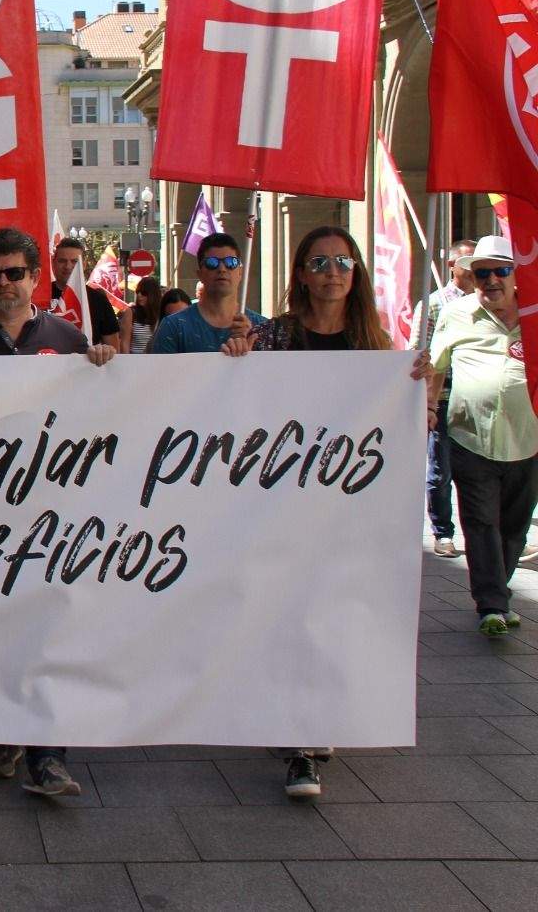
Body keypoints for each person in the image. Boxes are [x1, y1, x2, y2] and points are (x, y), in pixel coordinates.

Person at [0, 227, 113, 799]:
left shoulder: (68, 338)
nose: (4, 284)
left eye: (14, 273)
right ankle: (2, 731)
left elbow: (98, 413)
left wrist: (102, 366)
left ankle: (47, 754)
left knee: (46, 628)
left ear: (36, 278)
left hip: (50, 510)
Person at [219, 225, 400, 803]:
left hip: (346, 510)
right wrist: (236, 360)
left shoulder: (376, 343)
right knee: (288, 615)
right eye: (319, 262)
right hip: (280, 506)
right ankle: (297, 732)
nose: (331, 273)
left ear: (357, 272)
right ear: (300, 273)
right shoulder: (274, 337)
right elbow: (239, 410)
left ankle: (313, 726)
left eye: (342, 262)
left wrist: (418, 389)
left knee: (329, 614)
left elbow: (394, 419)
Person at [429, 235, 538, 643]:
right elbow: (435, 366)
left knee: (514, 528)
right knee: (480, 523)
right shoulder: (456, 315)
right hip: (470, 437)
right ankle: (491, 605)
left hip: (528, 439)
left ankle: (499, 592)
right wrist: (427, 407)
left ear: (515, 275)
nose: (491, 280)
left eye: (500, 271)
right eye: (481, 273)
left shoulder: (534, 314)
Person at [417, 240, 479, 556]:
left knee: (478, 470)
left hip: (475, 400)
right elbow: (418, 351)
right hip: (443, 397)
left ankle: (487, 531)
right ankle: (443, 532)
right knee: (440, 469)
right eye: (468, 262)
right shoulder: (435, 304)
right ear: (452, 266)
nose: (475, 269)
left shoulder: (487, 304)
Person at [147, 233, 262, 353]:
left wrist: (253, 347)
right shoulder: (173, 327)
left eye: (231, 262)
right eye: (212, 263)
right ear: (200, 274)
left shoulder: (263, 327)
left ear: (240, 272)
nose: (222, 269)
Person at [48, 238, 120, 349]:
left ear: (84, 264)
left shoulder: (99, 299)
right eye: (62, 261)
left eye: (74, 261)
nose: (68, 266)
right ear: (53, 263)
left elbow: (113, 348)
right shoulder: (38, 296)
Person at [122, 277, 164, 354]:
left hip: (156, 358)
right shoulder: (131, 312)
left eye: (144, 293)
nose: (139, 295)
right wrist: (127, 360)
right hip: (135, 359)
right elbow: (125, 343)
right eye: (137, 292)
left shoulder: (162, 313)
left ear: (153, 295)